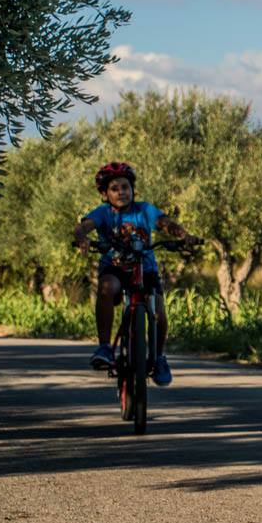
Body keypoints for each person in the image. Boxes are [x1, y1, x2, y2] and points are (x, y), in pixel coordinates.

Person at [72, 161, 200, 386]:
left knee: (159, 311)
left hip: (145, 268)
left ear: (132, 189)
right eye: (114, 188)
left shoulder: (144, 210)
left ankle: (158, 357)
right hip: (115, 267)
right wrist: (82, 237)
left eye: (125, 187)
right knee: (106, 288)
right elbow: (83, 226)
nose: (121, 192)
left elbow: (165, 223)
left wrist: (183, 235)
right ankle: (104, 347)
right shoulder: (103, 213)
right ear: (105, 194)